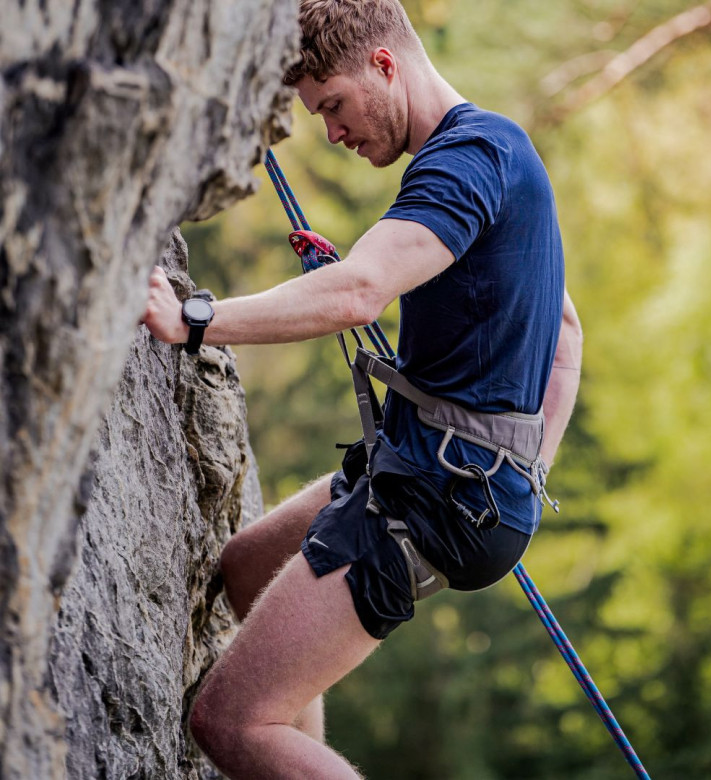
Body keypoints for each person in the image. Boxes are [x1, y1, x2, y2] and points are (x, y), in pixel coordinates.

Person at [143, 1, 582, 777]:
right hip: (451, 476)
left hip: (439, 492)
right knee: (246, 567)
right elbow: (566, 338)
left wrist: (193, 319)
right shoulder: (498, 154)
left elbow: (358, 293)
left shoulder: (466, 160)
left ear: (385, 64)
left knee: (230, 721)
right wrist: (523, 467)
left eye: (334, 106)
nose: (333, 134)